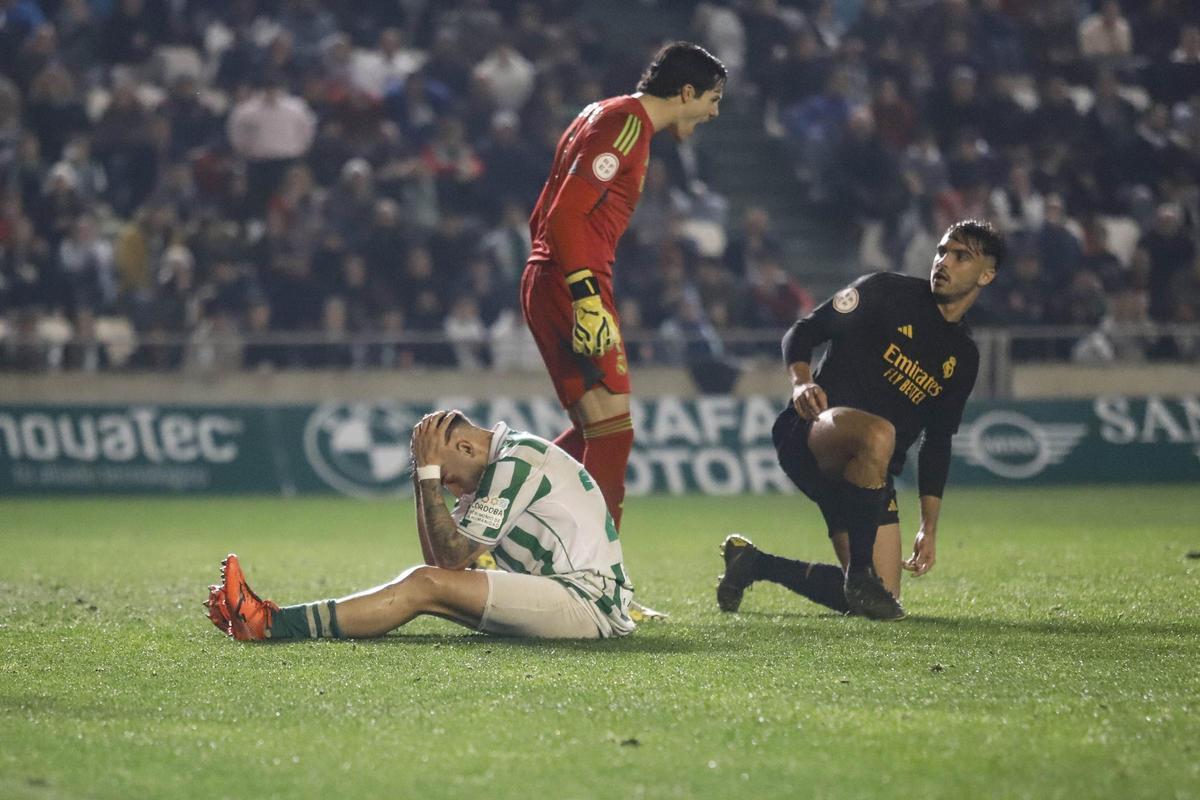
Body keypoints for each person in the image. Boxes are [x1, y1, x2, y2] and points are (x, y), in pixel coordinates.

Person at [716, 220, 1005, 620]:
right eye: (942, 251)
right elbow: (803, 331)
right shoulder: (887, 292)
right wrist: (802, 383)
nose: (943, 262)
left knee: (879, 598)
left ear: (986, 275)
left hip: (870, 474)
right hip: (812, 433)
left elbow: (938, 441)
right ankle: (861, 572)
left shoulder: (964, 357)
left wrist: (929, 526)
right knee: (879, 433)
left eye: (961, 257)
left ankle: (753, 564)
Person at [520, 41, 726, 536]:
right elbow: (565, 215)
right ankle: (599, 567)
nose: (714, 112)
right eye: (713, 99)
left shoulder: (599, 114)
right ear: (686, 92)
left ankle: (493, 511)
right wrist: (585, 295)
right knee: (613, 435)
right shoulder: (625, 126)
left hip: (554, 277)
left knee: (595, 431)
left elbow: (542, 214)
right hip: (573, 282)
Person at [205, 410, 635, 641]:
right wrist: (421, 476)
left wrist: (428, 473)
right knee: (426, 586)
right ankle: (265, 622)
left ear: (466, 447)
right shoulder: (495, 466)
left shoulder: (516, 462)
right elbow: (441, 561)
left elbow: (449, 559)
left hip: (588, 602)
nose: (446, 487)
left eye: (444, 475)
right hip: (569, 595)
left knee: (423, 586)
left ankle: (271, 623)